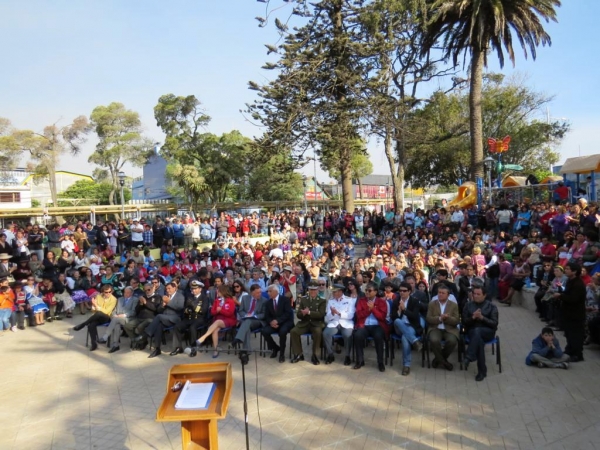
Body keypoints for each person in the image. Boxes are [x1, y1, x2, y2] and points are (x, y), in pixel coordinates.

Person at [137, 282, 185, 358]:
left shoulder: (180, 296)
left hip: (175, 318)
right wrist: (162, 306)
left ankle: (146, 334)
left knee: (158, 317)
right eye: (166, 289)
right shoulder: (165, 296)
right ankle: (157, 349)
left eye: (169, 288)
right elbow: (159, 310)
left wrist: (169, 302)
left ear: (174, 288)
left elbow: (180, 307)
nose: (168, 290)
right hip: (165, 317)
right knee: (158, 325)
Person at [461, 286, 499, 381]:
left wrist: (482, 318)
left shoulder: (492, 306)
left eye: (478, 294)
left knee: (477, 332)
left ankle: (469, 356)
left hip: (488, 332)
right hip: (472, 331)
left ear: (484, 295)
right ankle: (482, 371)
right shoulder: (468, 305)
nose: (476, 296)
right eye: (474, 294)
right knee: (478, 340)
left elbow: (494, 324)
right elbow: (464, 322)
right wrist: (473, 318)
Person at [353, 281, 389, 372]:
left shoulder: (381, 302)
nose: (367, 292)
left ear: (376, 292)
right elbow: (359, 315)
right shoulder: (361, 301)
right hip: (364, 325)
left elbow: (382, 317)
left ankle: (380, 362)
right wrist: (369, 310)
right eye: (366, 290)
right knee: (357, 335)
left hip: (377, 325)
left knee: (378, 337)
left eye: (370, 290)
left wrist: (373, 309)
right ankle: (360, 361)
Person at [554, 262, 587, 362]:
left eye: (568, 269)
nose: (566, 270)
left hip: (576, 314)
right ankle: (569, 350)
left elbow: (573, 299)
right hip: (568, 312)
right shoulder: (570, 281)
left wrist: (560, 296)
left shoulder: (578, 284)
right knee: (568, 333)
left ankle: (577, 354)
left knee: (576, 334)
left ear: (574, 271)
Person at [290, 280, 326, 365]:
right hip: (305, 323)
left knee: (318, 332)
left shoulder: (322, 300)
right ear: (308, 290)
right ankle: (298, 354)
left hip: (316, 323)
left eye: (314, 290)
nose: (312, 291)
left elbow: (321, 314)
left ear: (317, 290)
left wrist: (309, 313)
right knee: (293, 331)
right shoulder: (303, 299)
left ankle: (315, 355)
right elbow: (298, 314)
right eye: (311, 290)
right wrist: (302, 313)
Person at [391, 282, 424, 376]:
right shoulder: (396, 300)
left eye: (404, 291)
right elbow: (393, 317)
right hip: (399, 327)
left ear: (409, 291)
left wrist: (405, 310)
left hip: (411, 326)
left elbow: (415, 317)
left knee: (405, 339)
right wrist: (399, 311)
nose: (402, 293)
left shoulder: (414, 301)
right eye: (400, 290)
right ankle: (415, 341)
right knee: (397, 321)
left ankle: (406, 365)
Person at [196, 284, 237, 358]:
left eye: (219, 291)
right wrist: (217, 311)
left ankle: (204, 337)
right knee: (215, 330)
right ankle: (215, 350)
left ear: (223, 291)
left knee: (217, 322)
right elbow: (212, 312)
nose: (217, 292)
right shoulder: (216, 301)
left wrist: (221, 310)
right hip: (217, 320)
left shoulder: (230, 301)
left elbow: (230, 313)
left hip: (228, 320)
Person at [72, 284, 117, 351]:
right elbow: (93, 310)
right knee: (91, 325)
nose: (108, 294)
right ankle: (94, 344)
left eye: (109, 292)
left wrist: (96, 306)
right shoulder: (98, 296)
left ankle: (83, 324)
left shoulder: (114, 299)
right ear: (103, 292)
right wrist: (94, 306)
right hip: (97, 316)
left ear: (112, 291)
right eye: (106, 292)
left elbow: (107, 311)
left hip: (106, 317)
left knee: (99, 313)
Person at [171, 280, 210, 357]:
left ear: (200, 289)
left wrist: (193, 305)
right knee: (177, 327)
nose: (193, 290)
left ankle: (193, 348)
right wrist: (187, 310)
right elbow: (185, 309)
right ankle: (178, 347)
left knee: (192, 328)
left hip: (199, 319)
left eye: (195, 289)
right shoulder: (189, 297)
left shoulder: (204, 298)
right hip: (189, 318)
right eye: (192, 289)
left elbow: (203, 311)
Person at [426, 285, 459, 371]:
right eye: (439, 293)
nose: (440, 294)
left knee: (452, 341)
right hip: (435, 328)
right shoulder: (432, 304)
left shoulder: (454, 305)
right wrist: (440, 318)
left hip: (450, 329)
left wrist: (447, 318)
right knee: (434, 340)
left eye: (443, 293)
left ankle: (438, 360)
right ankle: (444, 362)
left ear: (448, 295)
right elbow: (428, 318)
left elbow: (456, 320)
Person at [97, 286, 139, 354]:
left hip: (128, 319)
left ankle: (105, 337)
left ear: (132, 293)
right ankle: (115, 345)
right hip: (117, 318)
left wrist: (123, 315)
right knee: (116, 325)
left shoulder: (135, 300)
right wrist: (114, 315)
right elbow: (114, 310)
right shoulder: (120, 299)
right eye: (125, 292)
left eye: (128, 292)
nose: (126, 294)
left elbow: (133, 312)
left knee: (115, 320)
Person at [323, 283, 356, 366]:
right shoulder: (331, 301)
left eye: (335, 292)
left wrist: (339, 313)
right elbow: (328, 317)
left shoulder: (349, 300)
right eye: (333, 292)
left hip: (346, 323)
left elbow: (351, 315)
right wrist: (333, 314)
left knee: (347, 335)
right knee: (326, 333)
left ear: (340, 292)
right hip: (334, 323)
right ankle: (330, 354)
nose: (333, 294)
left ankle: (347, 356)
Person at [261, 284, 294, 363]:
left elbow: (287, 314)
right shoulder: (268, 302)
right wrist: (271, 322)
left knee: (282, 332)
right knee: (264, 331)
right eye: (267, 291)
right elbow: (267, 316)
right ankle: (275, 348)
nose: (268, 293)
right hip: (274, 323)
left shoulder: (285, 300)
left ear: (276, 292)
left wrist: (277, 321)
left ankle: (282, 354)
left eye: (270, 291)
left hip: (285, 322)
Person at [124, 281, 162, 350]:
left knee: (140, 327)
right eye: (145, 290)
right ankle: (136, 340)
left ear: (152, 289)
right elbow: (136, 310)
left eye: (148, 289)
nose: (147, 291)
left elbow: (156, 309)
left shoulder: (157, 297)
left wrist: (145, 303)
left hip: (151, 318)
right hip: (140, 317)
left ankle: (142, 342)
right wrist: (141, 304)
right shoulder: (143, 297)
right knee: (127, 326)